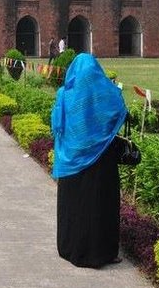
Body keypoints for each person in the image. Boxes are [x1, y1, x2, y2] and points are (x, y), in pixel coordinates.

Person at [51, 53, 127, 268]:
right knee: (99, 206)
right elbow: (119, 108)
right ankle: (100, 253)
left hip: (71, 161)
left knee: (73, 206)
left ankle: (68, 247)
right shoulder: (103, 96)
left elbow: (57, 125)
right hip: (100, 161)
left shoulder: (65, 95)